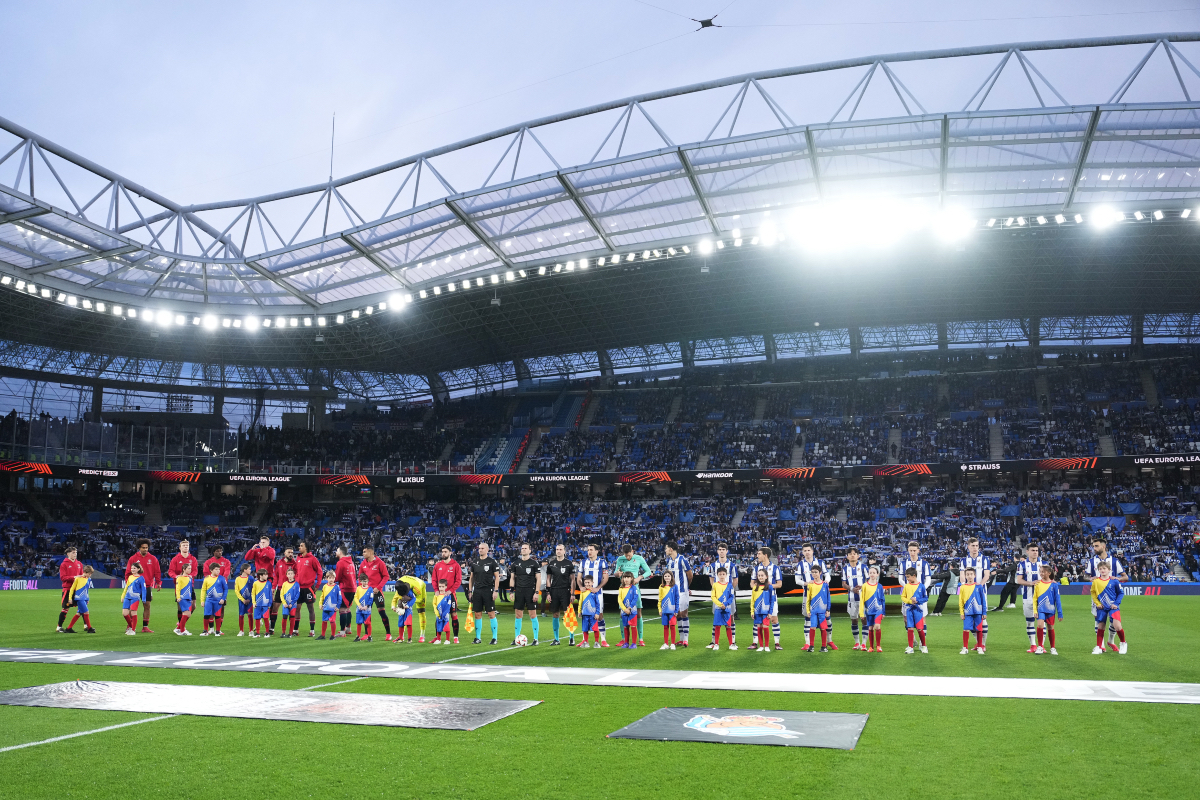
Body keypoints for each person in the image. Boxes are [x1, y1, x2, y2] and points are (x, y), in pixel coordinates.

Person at [1084, 537, 1129, 651]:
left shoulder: (1114, 561)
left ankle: (1111, 641)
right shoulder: (1092, 561)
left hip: (1111, 594)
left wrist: (1117, 578)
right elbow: (1085, 576)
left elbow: (1125, 577)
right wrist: (1090, 578)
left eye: (1096, 546)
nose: (1094, 548)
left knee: (1113, 620)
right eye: (1093, 546)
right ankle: (1101, 645)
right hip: (1098, 594)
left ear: (1103, 546)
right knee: (1098, 619)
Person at [797, 544, 836, 650]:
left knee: (827, 619)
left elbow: (827, 574)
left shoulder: (820, 562)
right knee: (808, 619)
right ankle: (808, 643)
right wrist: (806, 583)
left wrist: (827, 581)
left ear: (812, 551)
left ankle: (829, 641)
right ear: (803, 552)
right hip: (808, 595)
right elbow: (797, 580)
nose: (807, 552)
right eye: (805, 550)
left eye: (809, 550)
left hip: (821, 594)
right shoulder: (800, 564)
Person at [614, 543, 653, 647]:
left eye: (629, 555)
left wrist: (639, 578)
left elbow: (648, 571)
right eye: (626, 555)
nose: (627, 557)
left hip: (635, 589)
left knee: (638, 612)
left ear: (632, 551)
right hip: (623, 589)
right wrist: (617, 574)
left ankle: (640, 638)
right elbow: (615, 573)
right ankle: (623, 639)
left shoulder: (639, 558)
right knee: (622, 613)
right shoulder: (620, 559)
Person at [1015, 542, 1047, 653]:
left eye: (1036, 550)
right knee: (1029, 622)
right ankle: (1033, 645)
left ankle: (1041, 645)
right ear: (1027, 552)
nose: (1035, 552)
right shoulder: (1022, 565)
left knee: (1042, 622)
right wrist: (1031, 583)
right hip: (1027, 597)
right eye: (1033, 550)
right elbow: (1019, 580)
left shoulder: (1043, 564)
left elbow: (1050, 579)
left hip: (1042, 598)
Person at [959, 537, 991, 647]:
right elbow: (962, 576)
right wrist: (965, 586)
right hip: (968, 594)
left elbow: (987, 575)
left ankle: (983, 644)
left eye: (977, 546)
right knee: (970, 620)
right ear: (968, 547)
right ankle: (978, 643)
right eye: (973, 546)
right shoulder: (963, 561)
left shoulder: (984, 559)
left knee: (982, 618)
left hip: (980, 592)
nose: (975, 548)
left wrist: (979, 586)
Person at [124, 539, 161, 633]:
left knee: (147, 605)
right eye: (143, 548)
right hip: (134, 587)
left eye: (147, 548)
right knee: (131, 607)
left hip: (147, 586)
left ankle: (145, 627)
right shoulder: (133, 558)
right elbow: (128, 572)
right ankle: (130, 625)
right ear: (139, 548)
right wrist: (129, 583)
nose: (145, 549)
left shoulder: (153, 558)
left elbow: (157, 571)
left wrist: (158, 582)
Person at [468, 542, 501, 645]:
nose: (480, 550)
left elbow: (497, 577)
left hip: (488, 590)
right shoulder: (475, 562)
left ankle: (494, 638)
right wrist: (470, 591)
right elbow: (471, 578)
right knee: (477, 614)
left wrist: (496, 590)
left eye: (482, 548)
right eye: (479, 548)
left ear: (487, 550)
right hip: (477, 591)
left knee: (491, 614)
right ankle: (478, 638)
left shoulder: (492, 562)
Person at [1091, 561, 1127, 655]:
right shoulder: (1096, 581)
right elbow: (1093, 593)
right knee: (1101, 626)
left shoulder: (1114, 581)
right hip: (1102, 607)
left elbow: (1121, 593)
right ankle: (1099, 647)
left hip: (1113, 607)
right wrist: (1097, 603)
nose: (1102, 570)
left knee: (1117, 625)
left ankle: (1123, 643)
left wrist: (1116, 603)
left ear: (1109, 570)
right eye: (1100, 569)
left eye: (1104, 569)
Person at [510, 542, 541, 646]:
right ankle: (516, 638)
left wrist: (536, 592)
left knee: (533, 614)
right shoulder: (515, 563)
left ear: (529, 550)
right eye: (522, 548)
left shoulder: (534, 563)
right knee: (518, 615)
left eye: (525, 548)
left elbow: (538, 578)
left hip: (530, 591)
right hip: (519, 591)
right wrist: (511, 591)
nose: (523, 549)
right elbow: (512, 578)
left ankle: (536, 639)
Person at [579, 543, 610, 647]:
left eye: (591, 550)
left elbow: (606, 578)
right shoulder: (583, 562)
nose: (589, 552)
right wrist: (580, 586)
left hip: (598, 594)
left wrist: (597, 588)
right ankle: (585, 640)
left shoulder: (602, 562)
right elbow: (579, 577)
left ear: (597, 551)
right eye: (588, 550)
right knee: (585, 616)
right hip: (585, 594)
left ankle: (603, 639)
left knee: (599, 616)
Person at [358, 547, 392, 640]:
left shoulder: (379, 563)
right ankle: (366, 634)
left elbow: (386, 576)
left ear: (370, 552)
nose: (363, 553)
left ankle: (388, 634)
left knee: (382, 612)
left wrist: (378, 587)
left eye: (364, 552)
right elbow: (360, 577)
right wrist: (361, 588)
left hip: (377, 592)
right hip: (367, 593)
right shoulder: (363, 564)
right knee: (366, 613)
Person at [430, 546, 462, 644]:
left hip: (450, 595)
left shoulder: (456, 565)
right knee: (438, 615)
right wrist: (436, 590)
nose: (443, 553)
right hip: (439, 595)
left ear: (450, 553)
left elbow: (458, 580)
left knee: (453, 614)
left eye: (445, 552)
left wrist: (451, 590)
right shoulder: (437, 565)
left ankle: (455, 637)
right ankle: (438, 637)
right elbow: (434, 579)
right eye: (442, 551)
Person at [662, 541, 691, 648]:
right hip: (673, 592)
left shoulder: (682, 559)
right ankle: (681, 639)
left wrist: (687, 587)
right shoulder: (669, 561)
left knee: (684, 614)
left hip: (683, 591)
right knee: (677, 614)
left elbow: (690, 575)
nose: (665, 550)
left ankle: (686, 640)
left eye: (666, 548)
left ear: (671, 549)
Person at [545, 543, 575, 646]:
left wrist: (572, 593)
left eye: (560, 549)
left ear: (564, 551)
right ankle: (556, 639)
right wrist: (548, 592)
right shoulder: (551, 564)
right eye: (557, 549)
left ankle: (571, 638)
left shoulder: (569, 563)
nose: (558, 551)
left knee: (568, 614)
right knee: (555, 614)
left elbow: (572, 580)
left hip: (565, 591)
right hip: (554, 591)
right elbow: (548, 579)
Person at [900, 541, 932, 636]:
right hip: (907, 595)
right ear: (908, 551)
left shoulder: (924, 564)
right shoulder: (903, 563)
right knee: (906, 618)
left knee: (922, 618)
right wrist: (908, 588)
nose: (912, 553)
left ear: (918, 550)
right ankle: (912, 640)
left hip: (920, 595)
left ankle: (923, 643)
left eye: (914, 550)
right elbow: (900, 579)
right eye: (910, 551)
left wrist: (921, 589)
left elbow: (928, 579)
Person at [754, 546, 783, 650]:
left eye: (759, 554)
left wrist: (769, 586)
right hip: (758, 598)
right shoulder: (756, 568)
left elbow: (779, 584)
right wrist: (758, 587)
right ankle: (755, 643)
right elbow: (752, 583)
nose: (757, 556)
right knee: (758, 621)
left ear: (765, 555)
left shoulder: (775, 568)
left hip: (771, 598)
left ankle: (777, 643)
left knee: (774, 620)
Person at [168, 539, 200, 631]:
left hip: (190, 586)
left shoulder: (193, 559)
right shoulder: (175, 559)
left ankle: (180, 625)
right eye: (184, 545)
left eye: (187, 545)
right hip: (180, 586)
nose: (186, 547)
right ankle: (181, 627)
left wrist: (191, 575)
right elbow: (171, 571)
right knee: (180, 607)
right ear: (180, 547)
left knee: (193, 606)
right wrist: (176, 576)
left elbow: (195, 571)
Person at [293, 541, 323, 637]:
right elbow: (296, 571)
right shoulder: (298, 558)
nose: (299, 547)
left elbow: (320, 572)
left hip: (308, 588)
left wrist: (317, 585)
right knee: (297, 609)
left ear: (306, 548)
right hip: (298, 588)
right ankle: (295, 630)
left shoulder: (312, 559)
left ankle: (312, 630)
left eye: (301, 546)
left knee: (311, 608)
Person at [1033, 564, 1063, 655]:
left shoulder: (1054, 585)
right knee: (1040, 625)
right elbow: (1034, 598)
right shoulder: (1038, 584)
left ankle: (1052, 648)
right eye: (1040, 571)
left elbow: (1057, 600)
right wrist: (1035, 610)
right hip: (1041, 609)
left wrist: (1060, 613)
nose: (1041, 573)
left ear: (1049, 573)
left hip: (1051, 610)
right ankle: (1040, 646)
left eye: (1043, 572)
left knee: (1050, 628)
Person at [843, 546, 869, 650]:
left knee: (864, 620)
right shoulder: (845, 569)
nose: (852, 555)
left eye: (854, 553)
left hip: (864, 599)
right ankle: (857, 643)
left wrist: (862, 586)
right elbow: (844, 584)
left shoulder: (864, 567)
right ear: (847, 556)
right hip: (852, 599)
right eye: (850, 554)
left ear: (858, 556)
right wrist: (852, 589)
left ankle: (864, 643)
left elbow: (869, 581)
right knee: (854, 621)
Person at [957, 567, 987, 655]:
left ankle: (980, 647)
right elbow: (960, 601)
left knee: (979, 630)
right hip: (967, 613)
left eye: (971, 574)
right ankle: (965, 648)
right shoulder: (962, 587)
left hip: (978, 612)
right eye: (968, 575)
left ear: (974, 575)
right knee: (966, 629)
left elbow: (983, 600)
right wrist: (961, 613)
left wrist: (984, 612)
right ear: (965, 576)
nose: (969, 576)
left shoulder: (979, 586)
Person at [802, 565, 832, 653]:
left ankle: (824, 646)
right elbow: (808, 599)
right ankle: (811, 646)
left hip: (822, 612)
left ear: (820, 573)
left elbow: (828, 598)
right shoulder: (810, 585)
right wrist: (808, 611)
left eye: (816, 572)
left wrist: (828, 610)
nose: (814, 574)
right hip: (813, 611)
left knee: (823, 628)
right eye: (812, 572)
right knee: (813, 627)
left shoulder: (825, 585)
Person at [269, 547, 298, 636]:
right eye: (289, 552)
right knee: (275, 608)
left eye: (292, 552)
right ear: (284, 553)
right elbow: (276, 576)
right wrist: (273, 587)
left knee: (292, 610)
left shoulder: (294, 563)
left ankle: (293, 630)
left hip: (291, 590)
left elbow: (297, 575)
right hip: (280, 589)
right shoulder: (279, 563)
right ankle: (271, 628)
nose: (291, 554)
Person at [901, 567, 929, 654]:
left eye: (908, 577)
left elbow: (925, 598)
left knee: (920, 629)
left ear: (914, 576)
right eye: (906, 577)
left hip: (918, 610)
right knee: (910, 628)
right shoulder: (906, 586)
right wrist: (910, 601)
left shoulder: (921, 586)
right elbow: (903, 597)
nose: (907, 579)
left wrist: (917, 601)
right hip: (909, 609)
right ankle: (910, 647)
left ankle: (923, 646)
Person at [859, 565, 886, 652]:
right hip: (869, 610)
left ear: (877, 574)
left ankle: (878, 646)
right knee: (870, 628)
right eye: (870, 573)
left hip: (878, 610)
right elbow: (862, 600)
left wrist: (884, 612)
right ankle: (871, 647)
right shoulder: (864, 586)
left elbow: (882, 599)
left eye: (874, 573)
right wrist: (861, 613)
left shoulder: (880, 586)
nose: (872, 574)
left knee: (877, 626)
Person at [56, 546, 83, 632]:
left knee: (83, 607)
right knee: (65, 608)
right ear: (68, 554)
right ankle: (59, 627)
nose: (75, 554)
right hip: (68, 589)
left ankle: (86, 625)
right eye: (73, 553)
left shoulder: (79, 564)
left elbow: (81, 576)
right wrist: (75, 577)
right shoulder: (64, 564)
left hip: (77, 589)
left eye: (76, 552)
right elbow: (63, 578)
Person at [63, 565, 95, 633]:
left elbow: (86, 590)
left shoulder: (88, 579)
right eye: (89, 574)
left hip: (84, 599)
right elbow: (72, 589)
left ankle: (69, 628)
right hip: (79, 599)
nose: (90, 575)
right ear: (86, 572)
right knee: (86, 612)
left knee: (79, 613)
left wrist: (87, 599)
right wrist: (70, 598)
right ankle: (89, 628)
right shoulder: (78, 578)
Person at [710, 567, 737, 651]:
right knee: (717, 626)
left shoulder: (730, 585)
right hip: (718, 608)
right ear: (717, 575)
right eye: (720, 574)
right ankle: (716, 644)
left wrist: (725, 604)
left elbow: (731, 596)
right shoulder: (715, 585)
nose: (721, 576)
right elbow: (713, 596)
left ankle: (731, 644)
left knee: (728, 626)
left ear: (726, 575)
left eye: (723, 574)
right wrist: (719, 604)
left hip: (727, 608)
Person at [334, 546, 357, 638]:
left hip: (345, 588)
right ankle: (348, 628)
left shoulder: (340, 563)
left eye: (337, 550)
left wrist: (330, 578)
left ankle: (342, 632)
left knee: (342, 609)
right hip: (353, 588)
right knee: (347, 609)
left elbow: (337, 577)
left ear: (340, 552)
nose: (336, 552)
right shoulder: (351, 562)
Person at [199, 562, 228, 636]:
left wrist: (223, 599)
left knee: (218, 615)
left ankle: (217, 631)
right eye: (216, 569)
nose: (218, 571)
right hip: (209, 600)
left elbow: (226, 589)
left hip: (218, 601)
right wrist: (202, 601)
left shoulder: (221, 578)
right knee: (206, 615)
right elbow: (203, 590)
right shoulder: (207, 579)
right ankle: (205, 631)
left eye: (219, 569)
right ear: (211, 570)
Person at [751, 567, 775, 653]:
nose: (760, 577)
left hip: (766, 612)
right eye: (759, 575)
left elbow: (772, 601)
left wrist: (770, 612)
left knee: (765, 628)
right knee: (759, 628)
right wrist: (752, 611)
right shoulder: (755, 587)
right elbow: (752, 600)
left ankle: (767, 646)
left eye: (762, 575)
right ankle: (761, 646)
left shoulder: (770, 587)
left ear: (766, 576)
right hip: (757, 612)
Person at [397, 574, 427, 642]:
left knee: (421, 611)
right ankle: (401, 636)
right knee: (403, 615)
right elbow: (396, 597)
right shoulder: (400, 584)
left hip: (420, 594)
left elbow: (419, 599)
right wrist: (394, 606)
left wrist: (409, 603)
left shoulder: (418, 586)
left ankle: (422, 635)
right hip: (409, 597)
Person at [122, 562, 147, 635]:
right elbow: (126, 587)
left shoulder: (141, 578)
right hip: (127, 597)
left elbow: (144, 589)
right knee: (124, 613)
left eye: (134, 568)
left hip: (135, 598)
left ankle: (133, 630)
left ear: (138, 569)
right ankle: (130, 626)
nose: (132, 569)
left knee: (133, 613)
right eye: (132, 568)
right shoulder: (130, 577)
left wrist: (144, 598)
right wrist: (122, 596)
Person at [577, 575, 602, 647]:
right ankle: (586, 642)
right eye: (585, 583)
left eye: (588, 582)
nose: (587, 584)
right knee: (585, 629)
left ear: (592, 583)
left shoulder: (594, 592)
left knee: (595, 628)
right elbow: (580, 602)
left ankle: (597, 642)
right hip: (585, 614)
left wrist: (597, 613)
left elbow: (598, 603)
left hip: (593, 615)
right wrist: (579, 611)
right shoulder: (583, 592)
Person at [658, 569, 680, 649]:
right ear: (663, 577)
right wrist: (660, 610)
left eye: (668, 576)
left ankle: (673, 644)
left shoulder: (675, 586)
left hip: (672, 611)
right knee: (665, 626)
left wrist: (676, 610)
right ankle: (666, 644)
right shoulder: (661, 586)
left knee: (672, 626)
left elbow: (677, 598)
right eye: (665, 576)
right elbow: (660, 599)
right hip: (664, 610)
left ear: (671, 577)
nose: (667, 578)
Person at [318, 570, 342, 639]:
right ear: (326, 578)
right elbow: (322, 596)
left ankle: (333, 635)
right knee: (324, 620)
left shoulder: (337, 587)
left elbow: (339, 598)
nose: (331, 579)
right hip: (325, 607)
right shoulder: (325, 586)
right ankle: (323, 635)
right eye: (330, 578)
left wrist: (338, 606)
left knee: (332, 620)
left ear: (334, 578)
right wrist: (320, 604)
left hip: (333, 608)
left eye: (332, 578)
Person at [618, 571, 640, 648]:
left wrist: (629, 607)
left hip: (632, 611)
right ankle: (626, 643)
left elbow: (635, 598)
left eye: (628, 577)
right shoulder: (621, 587)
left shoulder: (634, 588)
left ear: (631, 578)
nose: (626, 579)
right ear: (623, 578)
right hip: (624, 611)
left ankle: (634, 643)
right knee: (625, 626)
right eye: (625, 577)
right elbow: (619, 599)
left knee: (633, 626)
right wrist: (624, 609)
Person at [233, 563, 254, 636]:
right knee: (241, 615)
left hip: (250, 600)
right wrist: (242, 599)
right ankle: (241, 631)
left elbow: (253, 590)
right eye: (249, 569)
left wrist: (250, 599)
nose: (250, 570)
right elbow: (236, 590)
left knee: (250, 614)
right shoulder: (238, 579)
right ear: (244, 570)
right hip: (241, 601)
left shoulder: (251, 578)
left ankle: (251, 631)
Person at [390, 578, 415, 643]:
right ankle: (401, 638)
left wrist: (408, 605)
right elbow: (394, 600)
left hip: (408, 610)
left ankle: (409, 639)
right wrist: (393, 607)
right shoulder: (397, 592)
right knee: (400, 623)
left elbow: (414, 599)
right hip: (400, 609)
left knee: (408, 623)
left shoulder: (409, 591)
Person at [173, 562, 195, 636]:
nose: (190, 570)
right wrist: (178, 597)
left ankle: (178, 628)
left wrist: (190, 598)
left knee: (188, 614)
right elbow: (178, 588)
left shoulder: (189, 578)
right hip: (182, 598)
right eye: (188, 568)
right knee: (186, 613)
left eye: (190, 568)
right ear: (184, 569)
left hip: (188, 598)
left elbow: (189, 589)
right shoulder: (179, 578)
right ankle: (182, 631)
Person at [251, 568, 273, 637]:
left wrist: (270, 604)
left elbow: (270, 594)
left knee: (266, 618)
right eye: (265, 575)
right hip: (257, 604)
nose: (267, 576)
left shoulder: (269, 583)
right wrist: (254, 602)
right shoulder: (255, 583)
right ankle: (257, 633)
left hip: (266, 605)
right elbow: (253, 593)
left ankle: (267, 632)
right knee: (257, 618)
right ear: (260, 576)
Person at [353, 574, 375, 642]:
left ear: (368, 581)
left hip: (367, 609)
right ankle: (358, 636)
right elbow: (356, 597)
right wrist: (359, 605)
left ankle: (369, 636)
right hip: (359, 609)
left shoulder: (370, 589)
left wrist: (367, 606)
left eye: (366, 581)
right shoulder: (358, 588)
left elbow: (371, 599)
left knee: (368, 623)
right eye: (363, 581)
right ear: (360, 581)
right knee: (359, 623)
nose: (364, 583)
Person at [279, 567, 300, 637]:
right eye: (289, 574)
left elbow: (297, 595)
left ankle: (290, 633)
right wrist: (284, 603)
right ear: (286, 575)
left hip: (293, 605)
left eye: (291, 574)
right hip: (285, 604)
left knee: (292, 617)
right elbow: (281, 594)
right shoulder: (284, 584)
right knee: (284, 617)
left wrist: (292, 603)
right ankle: (283, 632)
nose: (290, 575)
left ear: (294, 575)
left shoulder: (296, 584)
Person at [431, 579, 453, 644]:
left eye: (442, 586)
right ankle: (438, 639)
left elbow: (449, 605)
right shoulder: (436, 595)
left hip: (445, 614)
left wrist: (445, 613)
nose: (441, 588)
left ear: (446, 587)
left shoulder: (448, 596)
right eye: (440, 586)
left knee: (446, 626)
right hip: (438, 614)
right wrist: (436, 612)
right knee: (439, 625)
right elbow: (434, 604)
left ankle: (447, 640)